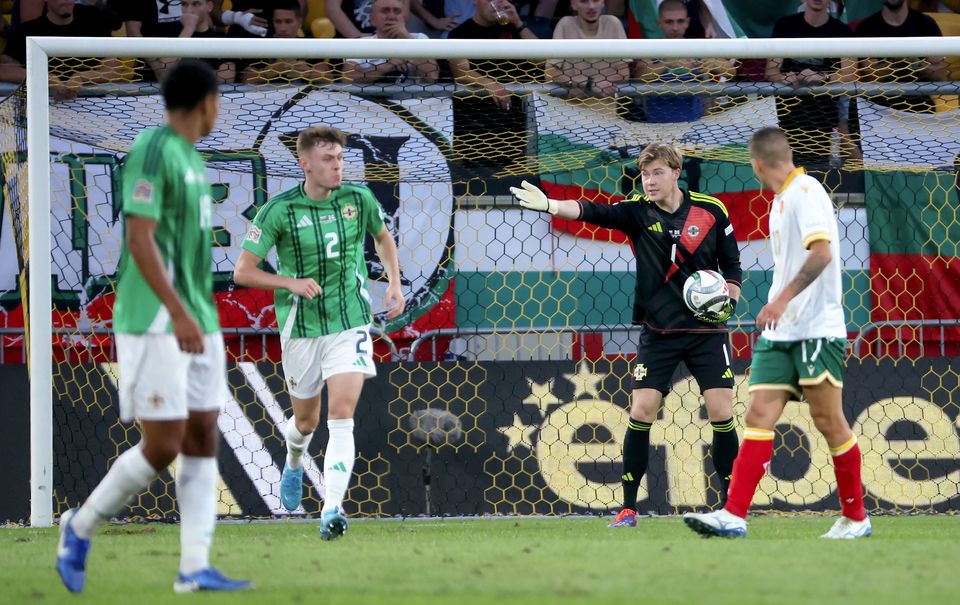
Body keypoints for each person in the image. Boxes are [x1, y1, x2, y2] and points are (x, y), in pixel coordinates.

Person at [55, 60, 252, 594]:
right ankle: (79, 526)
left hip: (198, 316)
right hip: (155, 318)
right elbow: (139, 241)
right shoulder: (152, 148)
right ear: (208, 102)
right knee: (163, 443)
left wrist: (196, 311)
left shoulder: (190, 158)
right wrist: (179, 310)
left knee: (203, 434)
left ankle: (194, 568)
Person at [511, 143, 743, 528]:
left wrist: (728, 302)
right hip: (659, 333)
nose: (649, 181)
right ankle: (628, 509)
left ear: (675, 172)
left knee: (721, 414)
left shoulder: (711, 210)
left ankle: (733, 507)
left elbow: (732, 266)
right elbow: (591, 211)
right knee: (640, 412)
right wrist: (551, 205)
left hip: (707, 333)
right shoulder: (637, 210)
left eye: (656, 173)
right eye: (644, 174)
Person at [682, 127, 870, 539]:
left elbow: (822, 254)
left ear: (757, 164)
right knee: (758, 414)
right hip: (780, 331)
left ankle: (856, 518)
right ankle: (733, 514)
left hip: (816, 328)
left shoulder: (806, 192)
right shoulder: (782, 200)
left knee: (828, 420)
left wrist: (781, 299)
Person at [233, 126, 405, 540]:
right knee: (307, 422)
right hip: (302, 329)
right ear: (305, 163)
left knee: (341, 415)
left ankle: (331, 508)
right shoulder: (278, 210)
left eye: (341, 159)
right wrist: (289, 283)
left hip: (351, 321)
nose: (337, 166)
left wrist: (395, 283)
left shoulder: (358, 199)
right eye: (328, 160)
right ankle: (294, 459)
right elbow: (243, 271)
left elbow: (383, 239)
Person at [767, 0, 857, 167]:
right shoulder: (785, 25)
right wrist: (784, 78)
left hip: (822, 122)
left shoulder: (842, 30)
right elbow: (771, 70)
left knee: (816, 178)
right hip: (785, 119)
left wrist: (824, 77)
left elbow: (850, 73)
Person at [634, 0, 733, 123]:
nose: (675, 27)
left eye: (680, 21)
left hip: (696, 124)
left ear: (687, 22)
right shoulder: (649, 48)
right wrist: (668, 63)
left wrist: (715, 64)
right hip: (656, 124)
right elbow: (640, 76)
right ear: (659, 23)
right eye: (669, 22)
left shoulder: (699, 47)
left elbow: (730, 71)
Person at [0, 0, 124, 96]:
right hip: (41, 107)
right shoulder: (29, 30)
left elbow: (114, 69)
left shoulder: (93, 22)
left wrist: (81, 77)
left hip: (92, 104)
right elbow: (5, 71)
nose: (66, 0)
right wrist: (47, 78)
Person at [855, 0, 945, 113]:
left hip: (921, 106)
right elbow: (873, 75)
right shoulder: (866, 27)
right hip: (879, 108)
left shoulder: (926, 23)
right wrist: (909, 60)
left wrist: (907, 62)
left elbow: (940, 75)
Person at [546, 0, 629, 100]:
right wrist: (588, 84)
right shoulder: (565, 24)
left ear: (603, 2)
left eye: (596, 0)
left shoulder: (613, 23)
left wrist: (588, 84)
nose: (591, 6)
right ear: (573, 4)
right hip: (569, 108)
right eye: (584, 1)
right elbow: (550, 72)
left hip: (606, 108)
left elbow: (624, 74)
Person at [343, 0, 439, 83]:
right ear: (372, 19)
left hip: (413, 102)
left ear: (404, 18)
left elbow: (432, 77)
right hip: (369, 102)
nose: (391, 16)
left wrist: (407, 39)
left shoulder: (419, 39)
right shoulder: (360, 43)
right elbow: (348, 78)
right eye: (385, 11)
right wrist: (388, 66)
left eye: (397, 11)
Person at [242, 0, 332, 84]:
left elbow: (329, 78)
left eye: (288, 21)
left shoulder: (311, 46)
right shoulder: (261, 46)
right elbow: (245, 79)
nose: (282, 28)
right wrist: (269, 72)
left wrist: (308, 73)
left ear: (300, 22)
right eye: (278, 22)